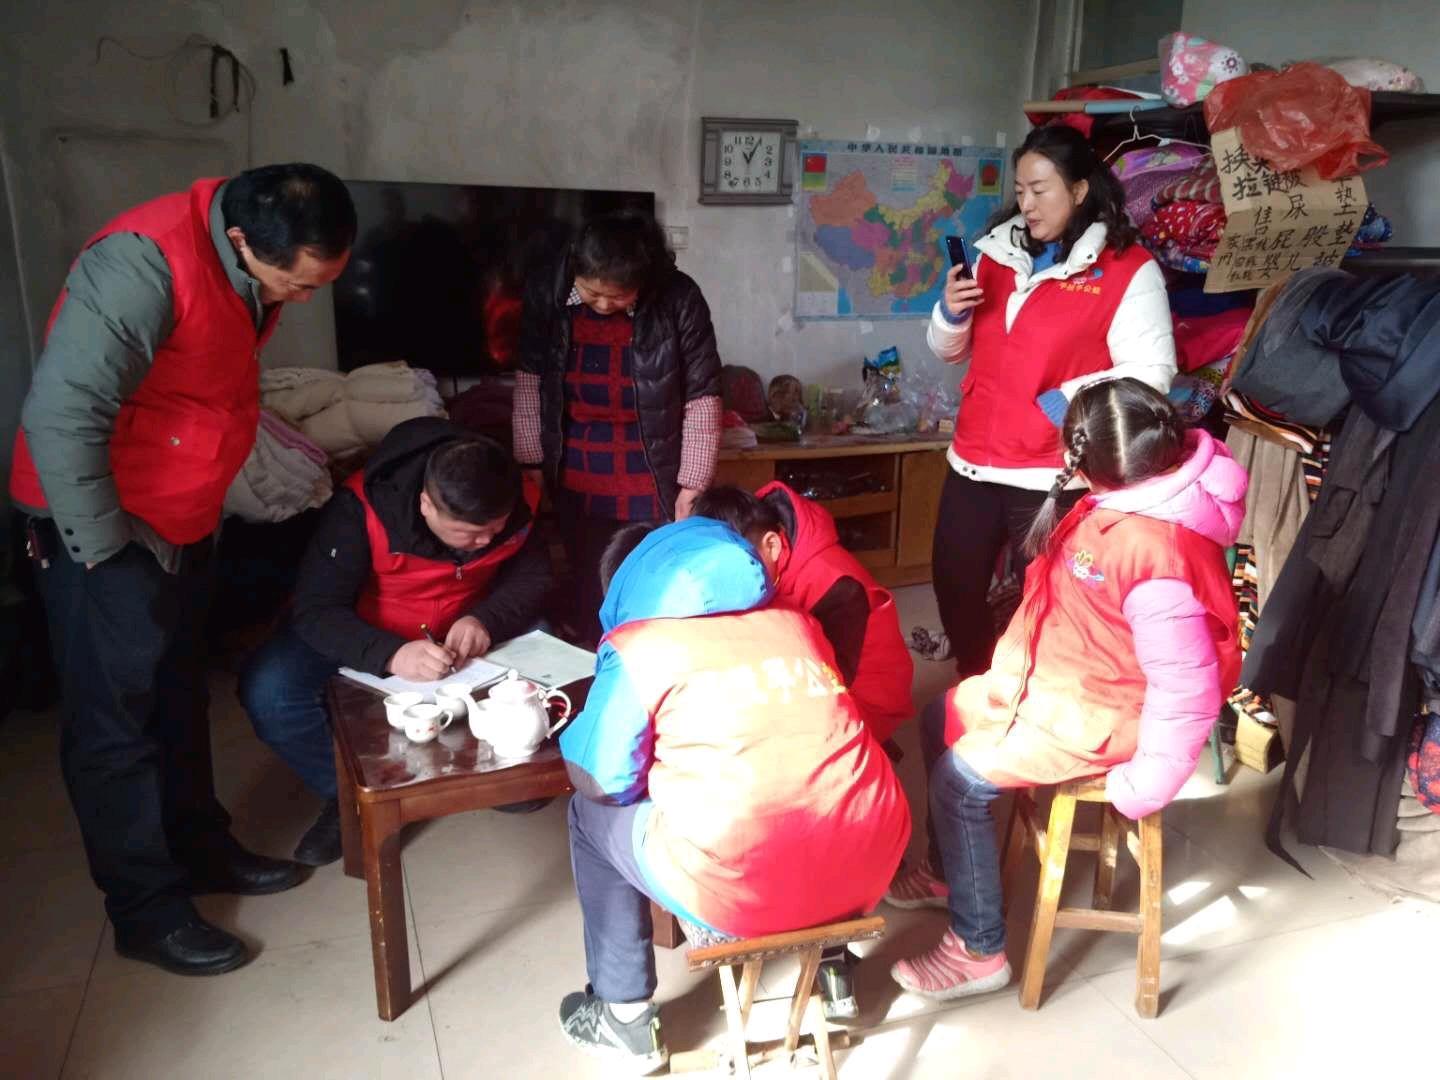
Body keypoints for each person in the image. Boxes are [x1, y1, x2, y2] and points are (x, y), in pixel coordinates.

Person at [9, 164, 357, 976]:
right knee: (115, 726)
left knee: (175, 697)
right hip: (104, 527)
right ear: (242, 241)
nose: (304, 299)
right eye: (299, 285)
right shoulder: (141, 263)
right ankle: (147, 911)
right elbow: (62, 414)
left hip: (180, 519)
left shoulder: (240, 259)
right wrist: (106, 557)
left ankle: (201, 850)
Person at [887, 380, 1245, 999]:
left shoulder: (1155, 552)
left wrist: (1148, 782)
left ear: (1084, 460)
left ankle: (979, 949)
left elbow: (1184, 689)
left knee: (958, 781)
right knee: (938, 717)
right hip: (1062, 680)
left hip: (1104, 711)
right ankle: (950, 875)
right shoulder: (1131, 497)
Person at [556, 518, 910, 1071]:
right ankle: (834, 974)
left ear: (629, 587)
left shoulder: (639, 646)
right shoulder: (796, 623)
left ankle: (624, 1017)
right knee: (816, 781)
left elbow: (601, 779)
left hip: (741, 884)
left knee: (587, 815)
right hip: (872, 860)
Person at [239, 417, 551, 865]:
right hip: (368, 629)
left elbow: (535, 575)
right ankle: (349, 798)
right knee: (269, 689)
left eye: (495, 529)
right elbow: (316, 608)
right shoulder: (360, 508)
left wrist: (486, 618)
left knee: (547, 643)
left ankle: (508, 770)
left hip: (464, 626)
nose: (485, 540)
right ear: (426, 504)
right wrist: (390, 653)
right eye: (468, 533)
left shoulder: (517, 498)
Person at [928, 124, 1177, 680]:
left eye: (1040, 190)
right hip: (972, 459)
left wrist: (1064, 399)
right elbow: (950, 351)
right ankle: (977, 685)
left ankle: (1030, 698)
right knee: (954, 583)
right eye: (1020, 191)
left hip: (1051, 470)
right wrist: (951, 313)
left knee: (1042, 600)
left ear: (1080, 190)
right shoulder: (996, 253)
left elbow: (1152, 373)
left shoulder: (1127, 269)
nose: (1027, 204)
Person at [690, 482, 914, 1019]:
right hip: (800, 690)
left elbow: (823, 703)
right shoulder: (755, 547)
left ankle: (828, 950)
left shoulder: (836, 585)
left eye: (738, 564)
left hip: (858, 703)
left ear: (772, 545)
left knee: (788, 785)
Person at [513, 211, 722, 646]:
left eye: (619, 296)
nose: (604, 305)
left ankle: (645, 658)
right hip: (577, 465)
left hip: (651, 467)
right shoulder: (548, 290)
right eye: (593, 293)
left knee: (651, 575)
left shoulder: (679, 296)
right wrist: (530, 462)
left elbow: (702, 394)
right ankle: (593, 656)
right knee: (587, 574)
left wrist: (693, 484)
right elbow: (530, 380)